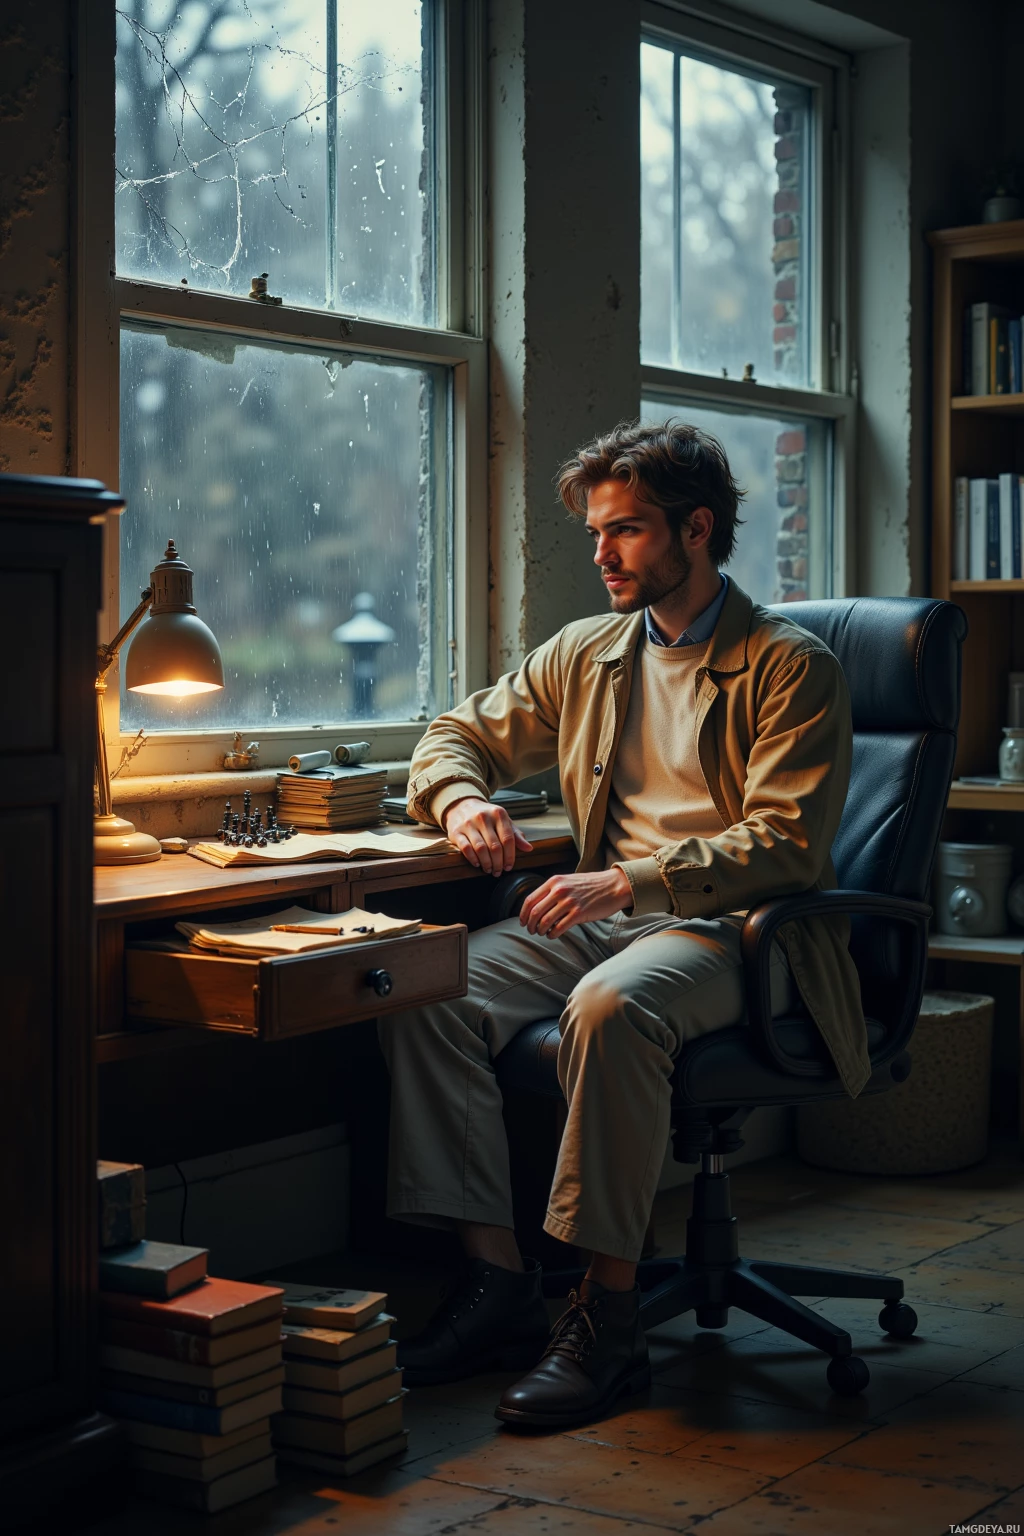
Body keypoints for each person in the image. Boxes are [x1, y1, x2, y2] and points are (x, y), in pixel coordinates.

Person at [377, 419, 867, 1431]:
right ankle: (500, 1286)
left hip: (737, 933)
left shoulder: (791, 666)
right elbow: (454, 734)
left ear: (696, 531)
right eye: (597, 532)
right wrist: (463, 800)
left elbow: (784, 845)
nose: (600, 553)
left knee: (607, 1010)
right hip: (609, 917)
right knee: (428, 985)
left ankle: (604, 1316)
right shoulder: (589, 652)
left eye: (628, 531)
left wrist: (624, 882)